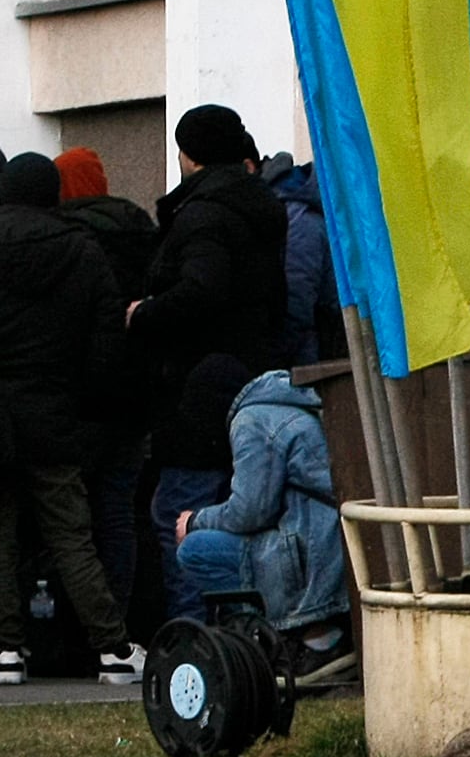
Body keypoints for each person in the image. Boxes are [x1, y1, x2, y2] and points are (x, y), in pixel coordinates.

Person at [0, 153, 136, 686]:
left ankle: (6, 651)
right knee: (71, 535)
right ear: (53, 192)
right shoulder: (82, 250)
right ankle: (111, 648)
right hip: (55, 413)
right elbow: (107, 343)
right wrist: (88, 401)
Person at [133, 104, 290, 622]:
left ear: (189, 155)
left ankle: (193, 642)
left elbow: (201, 290)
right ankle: (242, 632)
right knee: (237, 512)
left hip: (198, 388)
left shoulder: (202, 214)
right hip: (256, 378)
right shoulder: (262, 206)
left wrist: (146, 313)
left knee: (178, 513)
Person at [174, 368, 353, 680]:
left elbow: (250, 511)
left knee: (196, 550)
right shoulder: (293, 403)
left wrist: (195, 521)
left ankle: (279, 643)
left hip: (312, 552)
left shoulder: (252, 419)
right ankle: (311, 636)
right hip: (328, 542)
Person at [55, 146, 160, 654]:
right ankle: (117, 621)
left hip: (75, 402)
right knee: (119, 516)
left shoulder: (62, 239)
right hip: (131, 398)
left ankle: (78, 631)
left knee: (70, 521)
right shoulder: (138, 230)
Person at [261, 153, 345, 367]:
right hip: (313, 350)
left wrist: (268, 359)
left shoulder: (296, 217)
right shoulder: (297, 209)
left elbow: (296, 301)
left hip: (308, 360)